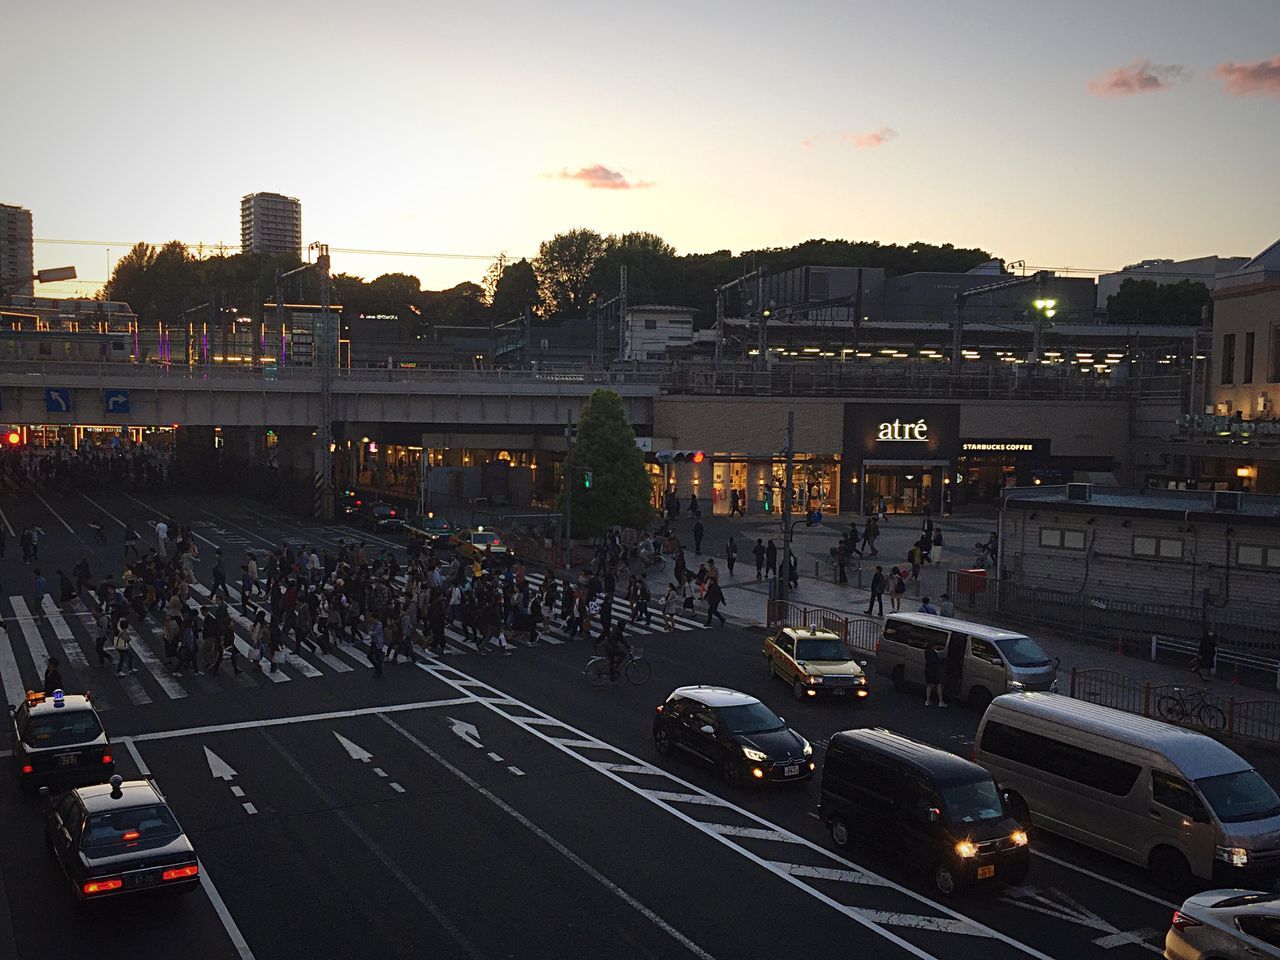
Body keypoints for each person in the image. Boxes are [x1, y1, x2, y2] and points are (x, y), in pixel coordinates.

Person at [924, 641, 946, 707]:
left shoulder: (926, 652)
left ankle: (927, 701)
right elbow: (936, 661)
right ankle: (941, 702)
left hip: (927, 670)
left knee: (929, 685)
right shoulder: (933, 653)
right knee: (938, 684)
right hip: (934, 671)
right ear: (933, 646)